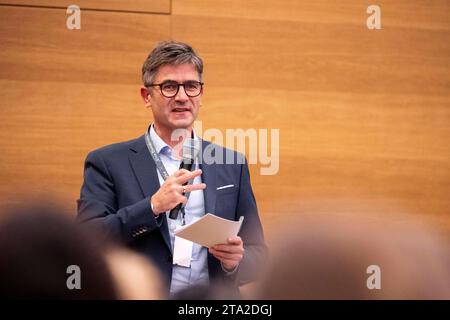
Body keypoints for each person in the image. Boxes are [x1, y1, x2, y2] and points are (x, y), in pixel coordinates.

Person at [77, 41, 268, 298]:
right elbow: (86, 242)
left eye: (191, 86)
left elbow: (258, 253)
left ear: (200, 94)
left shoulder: (231, 163)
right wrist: (152, 206)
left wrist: (234, 261)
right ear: (147, 96)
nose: (182, 96)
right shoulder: (108, 162)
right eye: (169, 87)